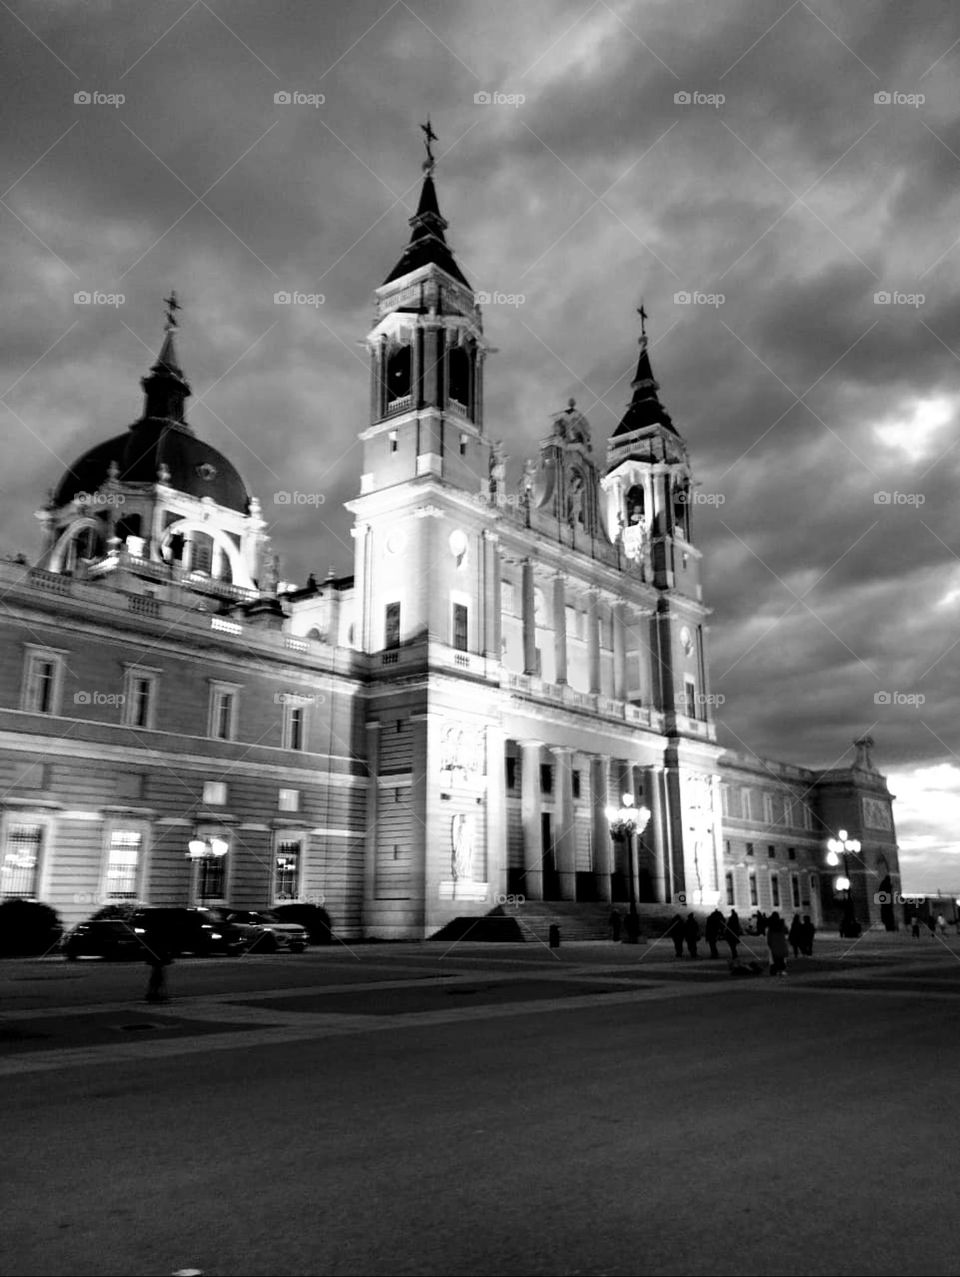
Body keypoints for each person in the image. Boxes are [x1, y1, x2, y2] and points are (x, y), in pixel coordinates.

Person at [144, 937, 173, 1003]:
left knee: (156, 974)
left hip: (156, 955)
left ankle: (153, 993)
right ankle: (155, 993)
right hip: (158, 955)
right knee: (158, 975)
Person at [766, 911, 788, 977]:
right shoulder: (781, 924)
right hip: (781, 943)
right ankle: (782, 970)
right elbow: (786, 931)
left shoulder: (771, 926)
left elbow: (769, 937)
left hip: (774, 944)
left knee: (776, 958)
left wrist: (769, 944)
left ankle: (777, 970)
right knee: (781, 957)